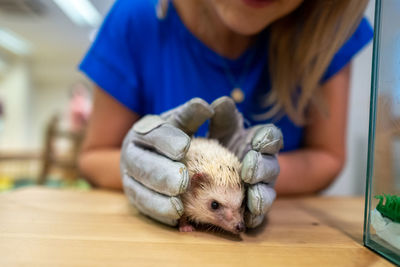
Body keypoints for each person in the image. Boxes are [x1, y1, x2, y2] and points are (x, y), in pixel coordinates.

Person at [78, 0, 373, 227]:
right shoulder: (134, 17)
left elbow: (329, 155)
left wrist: (249, 177)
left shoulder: (330, 28)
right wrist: (137, 166)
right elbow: (92, 157)